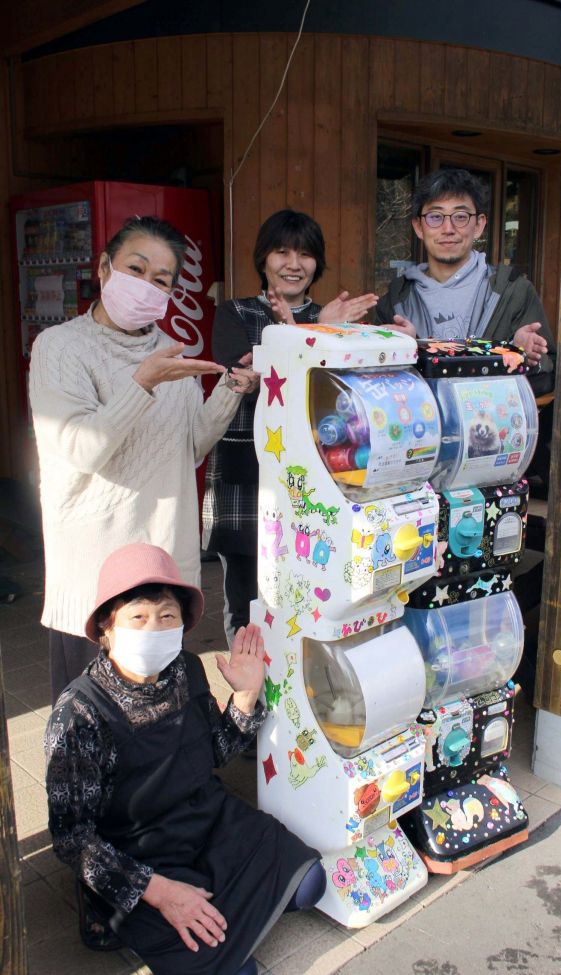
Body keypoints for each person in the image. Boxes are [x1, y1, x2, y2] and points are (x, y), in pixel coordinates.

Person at [44, 542, 325, 975]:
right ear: (106, 627)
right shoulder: (78, 712)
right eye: (138, 617)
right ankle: (148, 918)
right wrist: (158, 892)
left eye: (167, 616)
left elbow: (213, 751)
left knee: (310, 884)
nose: (155, 629)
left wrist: (246, 696)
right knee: (234, 968)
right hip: (140, 856)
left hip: (208, 821)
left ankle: (216, 915)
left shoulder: (186, 669)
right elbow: (72, 840)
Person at [29, 216, 257, 704]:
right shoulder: (59, 347)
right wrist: (142, 383)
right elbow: (81, 449)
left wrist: (233, 388)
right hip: (96, 574)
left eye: (161, 280)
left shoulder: (169, 351)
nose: (146, 286)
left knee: (156, 725)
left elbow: (190, 445)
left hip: (161, 568)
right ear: (105, 269)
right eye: (135, 269)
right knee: (90, 730)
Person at [202, 208, 377, 645]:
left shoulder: (332, 317)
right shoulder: (235, 312)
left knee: (308, 585)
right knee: (244, 598)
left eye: (305, 254)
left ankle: (300, 693)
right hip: (247, 475)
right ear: (263, 259)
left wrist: (320, 328)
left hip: (314, 475)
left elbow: (344, 390)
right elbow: (244, 372)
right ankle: (249, 701)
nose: (294, 264)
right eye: (282, 252)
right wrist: (310, 333)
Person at [375, 168, 556, 389]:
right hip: (422, 423)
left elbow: (549, 374)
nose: (448, 229)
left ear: (479, 225)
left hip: (491, 422)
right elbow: (375, 380)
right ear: (418, 227)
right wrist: (403, 349)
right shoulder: (396, 301)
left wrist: (520, 355)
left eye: (460, 217)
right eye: (435, 217)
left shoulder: (513, 291)